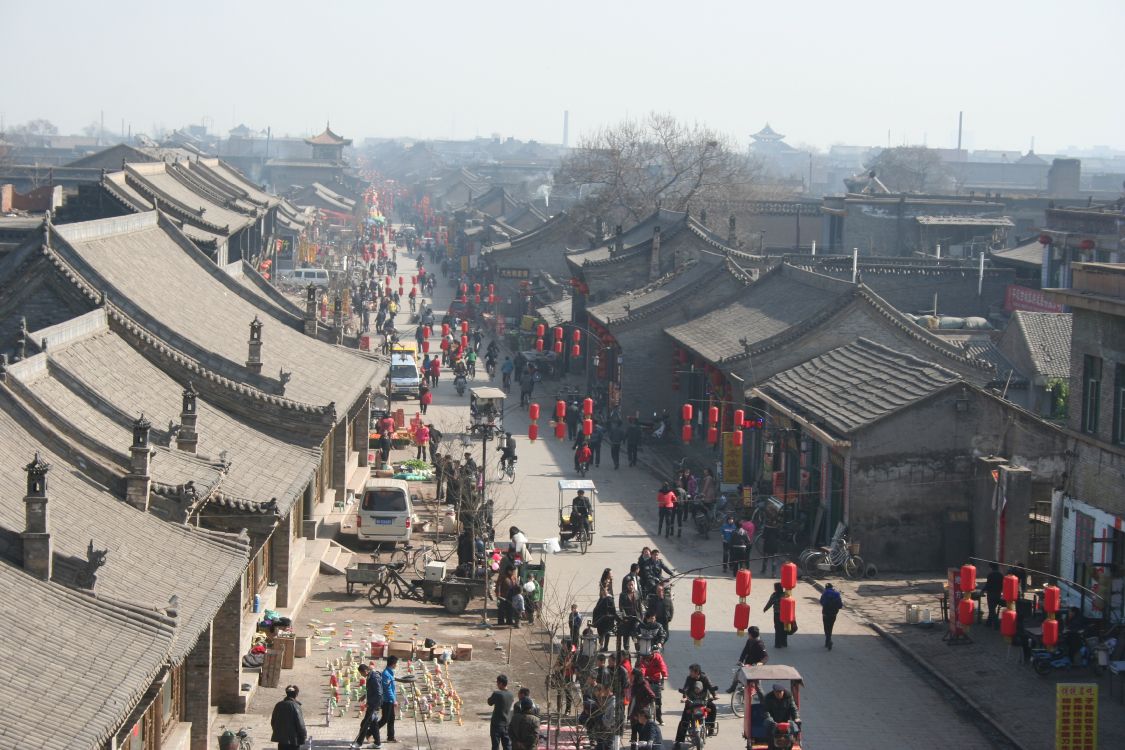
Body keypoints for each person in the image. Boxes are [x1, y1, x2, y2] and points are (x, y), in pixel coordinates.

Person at [674, 665, 717, 745]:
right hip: (692, 701)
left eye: (691, 672)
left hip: (703, 700)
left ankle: (710, 727)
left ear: (697, 672)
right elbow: (685, 689)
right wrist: (684, 698)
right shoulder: (689, 678)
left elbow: (710, 687)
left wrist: (714, 695)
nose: (690, 673)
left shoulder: (704, 678)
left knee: (713, 707)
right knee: (684, 719)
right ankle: (678, 741)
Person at [352, 663, 384, 749]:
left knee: (365, 723)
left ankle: (359, 743)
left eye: (362, 673)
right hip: (374, 704)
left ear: (366, 671)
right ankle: (377, 743)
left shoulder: (374, 678)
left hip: (374, 705)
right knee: (373, 724)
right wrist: (365, 696)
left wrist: (370, 704)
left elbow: (379, 693)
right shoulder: (370, 676)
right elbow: (372, 690)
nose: (362, 675)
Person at [727, 626, 767, 692]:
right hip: (747, 664)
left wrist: (761, 663)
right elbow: (745, 651)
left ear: (751, 634)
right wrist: (740, 660)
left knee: (758, 687)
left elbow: (766, 656)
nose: (747, 634)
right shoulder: (749, 640)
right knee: (737, 675)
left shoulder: (760, 644)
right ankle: (732, 688)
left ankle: (763, 701)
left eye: (748, 633)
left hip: (755, 666)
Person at [271, 684, 308, 750]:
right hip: (294, 741)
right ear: (296, 694)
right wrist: (304, 735)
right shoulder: (296, 706)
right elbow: (300, 724)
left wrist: (279, 733)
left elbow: (273, 722)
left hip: (282, 741)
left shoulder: (278, 705)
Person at [640, 645, 669, 724]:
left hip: (656, 680)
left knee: (658, 701)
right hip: (647, 680)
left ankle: (659, 718)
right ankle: (643, 716)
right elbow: (643, 668)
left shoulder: (658, 657)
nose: (648, 657)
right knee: (643, 699)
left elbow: (662, 666)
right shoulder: (643, 659)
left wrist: (664, 674)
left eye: (650, 655)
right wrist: (642, 676)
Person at [488, 674, 516, 750]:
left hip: (496, 724)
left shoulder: (497, 694)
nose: (497, 684)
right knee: (507, 746)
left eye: (497, 682)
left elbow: (489, 702)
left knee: (495, 746)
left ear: (500, 683)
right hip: (507, 723)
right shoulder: (511, 695)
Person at [628, 668, 656, 742]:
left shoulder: (643, 684)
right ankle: (633, 745)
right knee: (633, 730)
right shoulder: (635, 683)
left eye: (632, 676)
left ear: (636, 676)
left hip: (641, 711)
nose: (631, 677)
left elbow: (652, 696)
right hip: (634, 709)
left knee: (641, 731)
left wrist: (643, 704)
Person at [375, 656, 399, 743]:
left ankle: (391, 737)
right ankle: (369, 732)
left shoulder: (390, 673)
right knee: (384, 719)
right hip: (387, 700)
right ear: (393, 664)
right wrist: (394, 700)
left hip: (390, 700)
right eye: (396, 663)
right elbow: (388, 689)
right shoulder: (386, 674)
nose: (396, 665)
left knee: (391, 718)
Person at [618, 579, 643, 652]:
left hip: (636, 617)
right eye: (629, 585)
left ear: (634, 585)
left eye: (632, 585)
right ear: (627, 585)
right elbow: (621, 607)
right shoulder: (623, 595)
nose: (631, 586)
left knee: (635, 633)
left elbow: (640, 606)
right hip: (627, 618)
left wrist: (641, 617)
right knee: (626, 634)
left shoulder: (637, 593)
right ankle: (626, 649)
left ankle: (637, 649)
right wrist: (624, 616)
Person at [764, 582, 789, 648]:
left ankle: (778, 644)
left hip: (777, 614)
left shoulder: (774, 595)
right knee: (784, 628)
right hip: (785, 614)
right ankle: (784, 642)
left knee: (778, 629)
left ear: (776, 588)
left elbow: (770, 603)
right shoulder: (785, 595)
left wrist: (765, 609)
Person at [593, 587, 617, 651]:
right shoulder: (601, 599)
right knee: (600, 632)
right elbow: (596, 609)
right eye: (602, 591)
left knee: (606, 633)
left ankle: (605, 647)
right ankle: (601, 645)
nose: (603, 592)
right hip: (600, 621)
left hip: (607, 621)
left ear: (608, 592)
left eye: (604, 591)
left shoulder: (609, 599)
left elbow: (613, 611)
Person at [820, 583, 843, 650]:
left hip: (825, 614)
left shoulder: (825, 593)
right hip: (833, 614)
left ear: (826, 588)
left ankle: (828, 640)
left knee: (826, 627)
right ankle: (828, 640)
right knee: (830, 627)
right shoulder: (837, 594)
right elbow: (840, 606)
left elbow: (821, 602)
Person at [984, 562, 1004, 629]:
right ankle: (988, 623)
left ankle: (997, 625)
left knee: (992, 610)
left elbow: (988, 584)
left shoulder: (990, 575)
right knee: (992, 608)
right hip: (998, 593)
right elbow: (1003, 585)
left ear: (991, 567)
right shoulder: (1001, 575)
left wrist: (982, 590)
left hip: (991, 594)